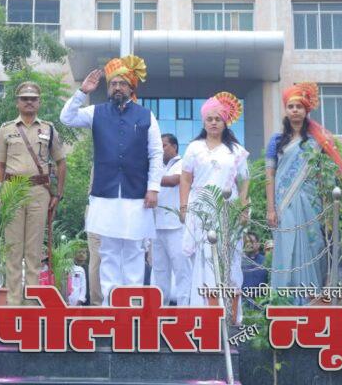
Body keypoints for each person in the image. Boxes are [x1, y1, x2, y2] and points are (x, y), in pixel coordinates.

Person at [60, 56, 162, 304]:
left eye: (122, 83)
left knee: (134, 250)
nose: (117, 87)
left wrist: (153, 189)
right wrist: (82, 92)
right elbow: (67, 118)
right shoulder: (96, 112)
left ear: (131, 88)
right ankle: (110, 303)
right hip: (105, 194)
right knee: (109, 251)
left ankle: (134, 302)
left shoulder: (146, 116)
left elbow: (156, 153)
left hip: (136, 194)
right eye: (113, 83)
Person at [265, 82, 342, 294]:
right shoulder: (276, 141)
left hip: (312, 203)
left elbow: (325, 174)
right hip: (284, 204)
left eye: (299, 106)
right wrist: (271, 208)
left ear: (306, 110)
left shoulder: (317, 141)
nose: (295, 110)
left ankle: (311, 298)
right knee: (286, 248)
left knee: (313, 246)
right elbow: (270, 176)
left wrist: (328, 206)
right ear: (286, 110)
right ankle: (284, 301)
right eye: (291, 106)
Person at [0, 81, 67, 305]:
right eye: (24, 98)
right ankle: (14, 303)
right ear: (17, 102)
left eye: (33, 98)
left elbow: (61, 162)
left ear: (39, 102)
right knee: (14, 249)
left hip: (39, 191)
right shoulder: (6, 129)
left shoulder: (48, 129)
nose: (29, 102)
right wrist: (0, 195)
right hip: (13, 191)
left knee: (34, 250)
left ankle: (34, 303)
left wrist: (58, 194)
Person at [179, 92, 249, 322]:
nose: (213, 123)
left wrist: (243, 207)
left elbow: (244, 179)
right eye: (209, 119)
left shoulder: (236, 151)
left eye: (218, 119)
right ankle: (204, 314)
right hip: (201, 210)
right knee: (203, 258)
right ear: (203, 121)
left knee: (229, 258)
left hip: (228, 209)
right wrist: (183, 205)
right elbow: (186, 179)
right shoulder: (194, 148)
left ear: (225, 121)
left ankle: (229, 315)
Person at [152, 133, 191, 305]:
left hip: (177, 226)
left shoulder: (183, 163)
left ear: (174, 147)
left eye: (164, 145)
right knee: (160, 271)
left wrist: (150, 179)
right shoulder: (157, 166)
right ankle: (161, 309)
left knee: (181, 270)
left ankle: (185, 309)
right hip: (156, 226)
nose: (161, 149)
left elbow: (175, 180)